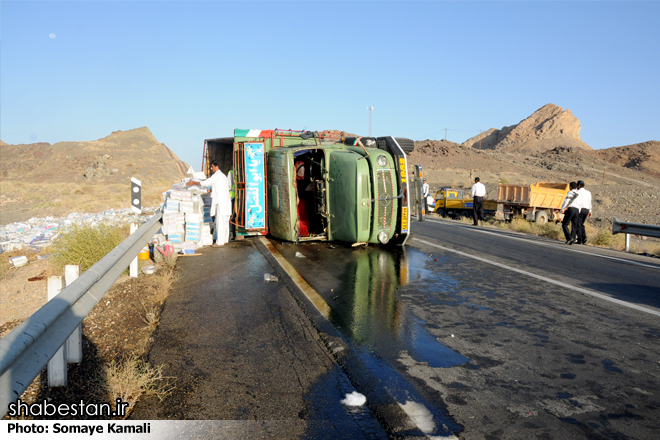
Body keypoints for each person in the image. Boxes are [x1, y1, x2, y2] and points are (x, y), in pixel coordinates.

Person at [187, 160, 231, 247]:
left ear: (216, 166)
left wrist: (194, 182)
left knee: (220, 222)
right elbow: (221, 187)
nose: (211, 169)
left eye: (212, 167)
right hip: (226, 201)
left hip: (221, 202)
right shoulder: (223, 176)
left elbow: (205, 183)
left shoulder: (216, 176)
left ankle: (219, 242)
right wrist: (210, 190)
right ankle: (225, 240)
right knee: (225, 222)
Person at [575, 180, 592, 245]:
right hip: (587, 209)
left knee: (578, 224)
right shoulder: (588, 192)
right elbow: (590, 201)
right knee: (581, 224)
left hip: (581, 209)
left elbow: (578, 202)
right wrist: (590, 210)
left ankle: (580, 239)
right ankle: (584, 237)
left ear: (579, 185)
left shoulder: (578, 192)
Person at [227, 168, 236, 241]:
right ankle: (235, 232)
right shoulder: (238, 171)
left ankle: (232, 233)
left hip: (232, 197)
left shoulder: (231, 172)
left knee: (231, 216)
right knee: (235, 215)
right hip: (238, 196)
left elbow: (228, 185)